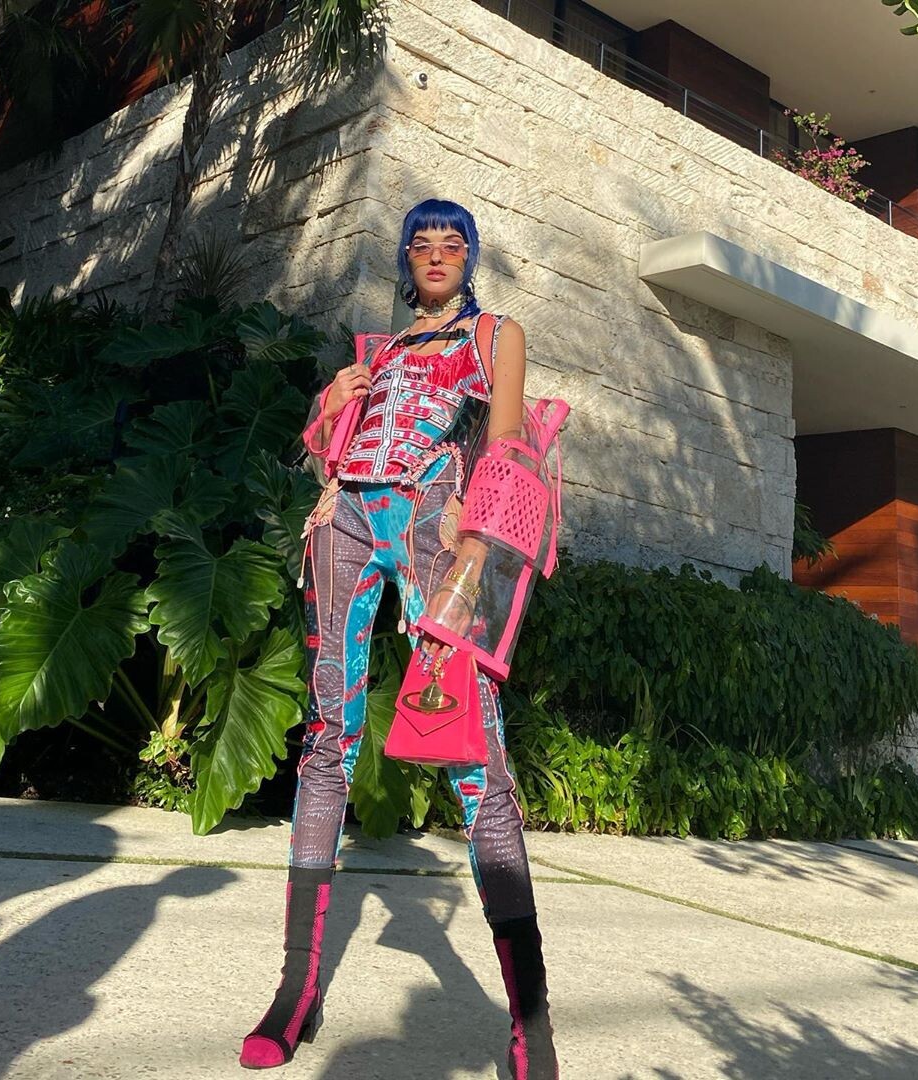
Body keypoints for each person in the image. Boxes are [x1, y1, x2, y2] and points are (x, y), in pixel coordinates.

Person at [239, 199, 561, 1080]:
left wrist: (472, 555)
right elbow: (324, 453)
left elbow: (506, 449)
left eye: (452, 244)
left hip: (434, 526)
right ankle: (295, 989)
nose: (436, 255)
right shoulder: (377, 351)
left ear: (471, 257)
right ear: (405, 260)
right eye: (422, 244)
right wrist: (330, 405)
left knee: (476, 754)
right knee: (326, 738)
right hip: (343, 519)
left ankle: (530, 1020)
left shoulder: (495, 333)